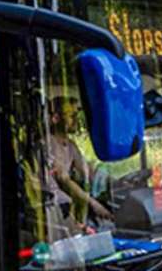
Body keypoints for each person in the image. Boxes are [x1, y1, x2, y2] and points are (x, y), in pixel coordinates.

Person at [43, 96, 111, 225]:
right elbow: (64, 179)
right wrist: (93, 203)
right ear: (56, 118)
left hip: (65, 204)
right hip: (53, 207)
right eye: (71, 115)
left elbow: (88, 172)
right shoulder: (48, 144)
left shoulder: (70, 145)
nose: (76, 120)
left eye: (76, 114)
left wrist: (117, 182)